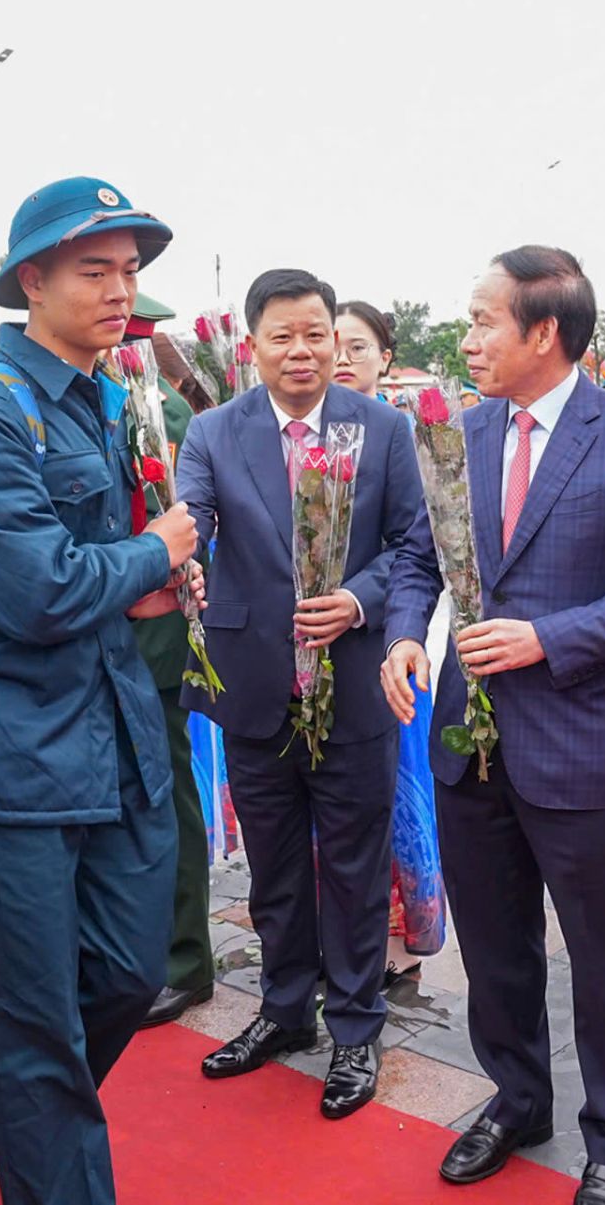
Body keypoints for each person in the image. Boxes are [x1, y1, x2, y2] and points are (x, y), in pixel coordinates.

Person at [382, 247, 605, 1205]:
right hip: (466, 741)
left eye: (483, 320)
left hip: (583, 740)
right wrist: (404, 635)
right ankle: (517, 1097)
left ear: (545, 332)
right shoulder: (456, 436)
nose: (467, 338)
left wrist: (546, 638)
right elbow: (417, 556)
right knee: (494, 943)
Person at [0, 175, 199, 1204]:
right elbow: (35, 593)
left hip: (110, 729)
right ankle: (38, 1124)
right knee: (39, 1019)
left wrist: (150, 587)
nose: (120, 289)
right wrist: (152, 551)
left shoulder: (100, 401)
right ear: (31, 280)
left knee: (125, 973)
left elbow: (89, 578)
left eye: (129, 271)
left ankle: (4, 1083)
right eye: (94, 269)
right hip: (10, 749)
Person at [178, 270, 422, 1121]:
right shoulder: (212, 432)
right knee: (275, 867)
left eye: (316, 332)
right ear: (252, 345)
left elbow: (414, 547)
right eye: (283, 335)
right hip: (254, 683)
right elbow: (192, 521)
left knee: (354, 868)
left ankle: (356, 1027)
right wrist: (179, 564)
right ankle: (284, 1010)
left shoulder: (386, 430)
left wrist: (358, 599)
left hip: (352, 681)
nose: (303, 350)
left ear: (336, 339)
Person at [333, 297, 448, 979]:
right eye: (333, 344)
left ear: (384, 357)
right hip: (315, 643)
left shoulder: (406, 437)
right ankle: (337, 932)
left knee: (397, 785)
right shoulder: (305, 434)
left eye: (357, 346)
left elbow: (422, 544)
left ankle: (401, 934)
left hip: (393, 635)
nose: (341, 359)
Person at [129, 294, 218, 1031]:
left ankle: (185, 956)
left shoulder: (158, 410)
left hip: (153, 634)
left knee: (165, 793)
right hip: (104, 628)